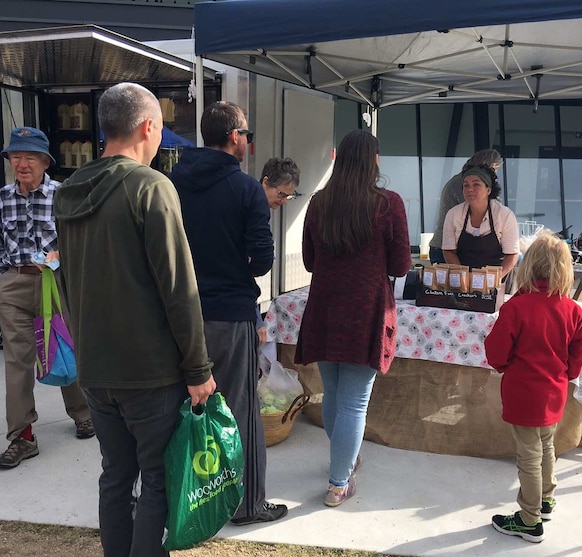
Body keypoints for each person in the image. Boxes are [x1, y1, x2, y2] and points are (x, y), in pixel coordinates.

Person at [54, 82, 217, 557]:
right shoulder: (150, 186)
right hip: (149, 371)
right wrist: (199, 368)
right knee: (157, 479)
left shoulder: (68, 189)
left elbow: (64, 279)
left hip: (97, 368)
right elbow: (179, 289)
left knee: (115, 476)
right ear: (149, 126)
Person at [169, 101, 287, 526]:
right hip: (230, 313)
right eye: (247, 135)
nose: (247, 142)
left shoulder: (171, 182)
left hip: (179, 312)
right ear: (235, 136)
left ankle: (182, 496)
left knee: (181, 406)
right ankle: (247, 504)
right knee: (239, 409)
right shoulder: (245, 189)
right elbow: (261, 261)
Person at [294, 129, 411, 507]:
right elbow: (401, 264)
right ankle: (338, 483)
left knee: (335, 393)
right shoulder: (388, 204)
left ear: (339, 159)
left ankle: (343, 460)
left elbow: (310, 262)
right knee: (354, 403)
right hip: (367, 309)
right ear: (373, 161)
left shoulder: (318, 203)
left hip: (325, 306)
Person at [0, 126, 93, 470]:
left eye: (30, 157)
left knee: (65, 347)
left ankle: (82, 414)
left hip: (55, 284)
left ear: (45, 161)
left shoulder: (63, 195)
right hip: (15, 284)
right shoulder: (2, 197)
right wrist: (2, 274)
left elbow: (78, 242)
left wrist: (59, 259)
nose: (22, 163)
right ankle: (22, 436)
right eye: (16, 156)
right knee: (17, 362)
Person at [483, 232, 582, 543]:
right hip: (554, 393)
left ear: (529, 266)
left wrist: (505, 366)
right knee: (546, 447)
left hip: (523, 393)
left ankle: (529, 519)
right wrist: (562, 375)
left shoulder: (517, 307)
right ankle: (545, 499)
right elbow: (577, 360)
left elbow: (496, 353)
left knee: (528, 456)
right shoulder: (573, 310)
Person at [441, 163, 519, 279]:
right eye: (466, 185)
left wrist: (494, 279)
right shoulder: (454, 214)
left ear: (488, 190)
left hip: (496, 280)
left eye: (476, 184)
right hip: (463, 281)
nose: (470, 189)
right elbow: (449, 251)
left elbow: (512, 254)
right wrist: (463, 276)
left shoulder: (504, 215)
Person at [429, 149, 503, 264]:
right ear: (487, 167)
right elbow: (485, 210)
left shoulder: (460, 180)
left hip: (450, 247)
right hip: (449, 250)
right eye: (494, 170)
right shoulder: (466, 183)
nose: (494, 176)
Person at [256, 157, 301, 344]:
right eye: (282, 194)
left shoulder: (260, 209)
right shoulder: (253, 210)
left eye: (289, 197)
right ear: (265, 182)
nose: (284, 201)